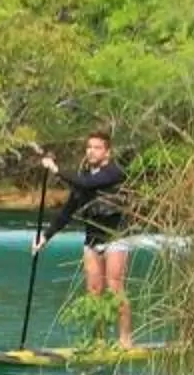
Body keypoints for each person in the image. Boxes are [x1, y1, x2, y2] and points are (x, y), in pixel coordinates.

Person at [35, 133, 134, 347]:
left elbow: (87, 184)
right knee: (93, 291)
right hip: (92, 240)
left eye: (97, 148)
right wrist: (45, 236)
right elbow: (68, 211)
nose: (91, 151)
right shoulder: (84, 177)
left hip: (115, 238)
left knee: (115, 289)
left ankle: (126, 339)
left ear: (107, 152)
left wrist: (56, 170)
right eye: (88, 147)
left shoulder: (114, 173)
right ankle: (99, 341)